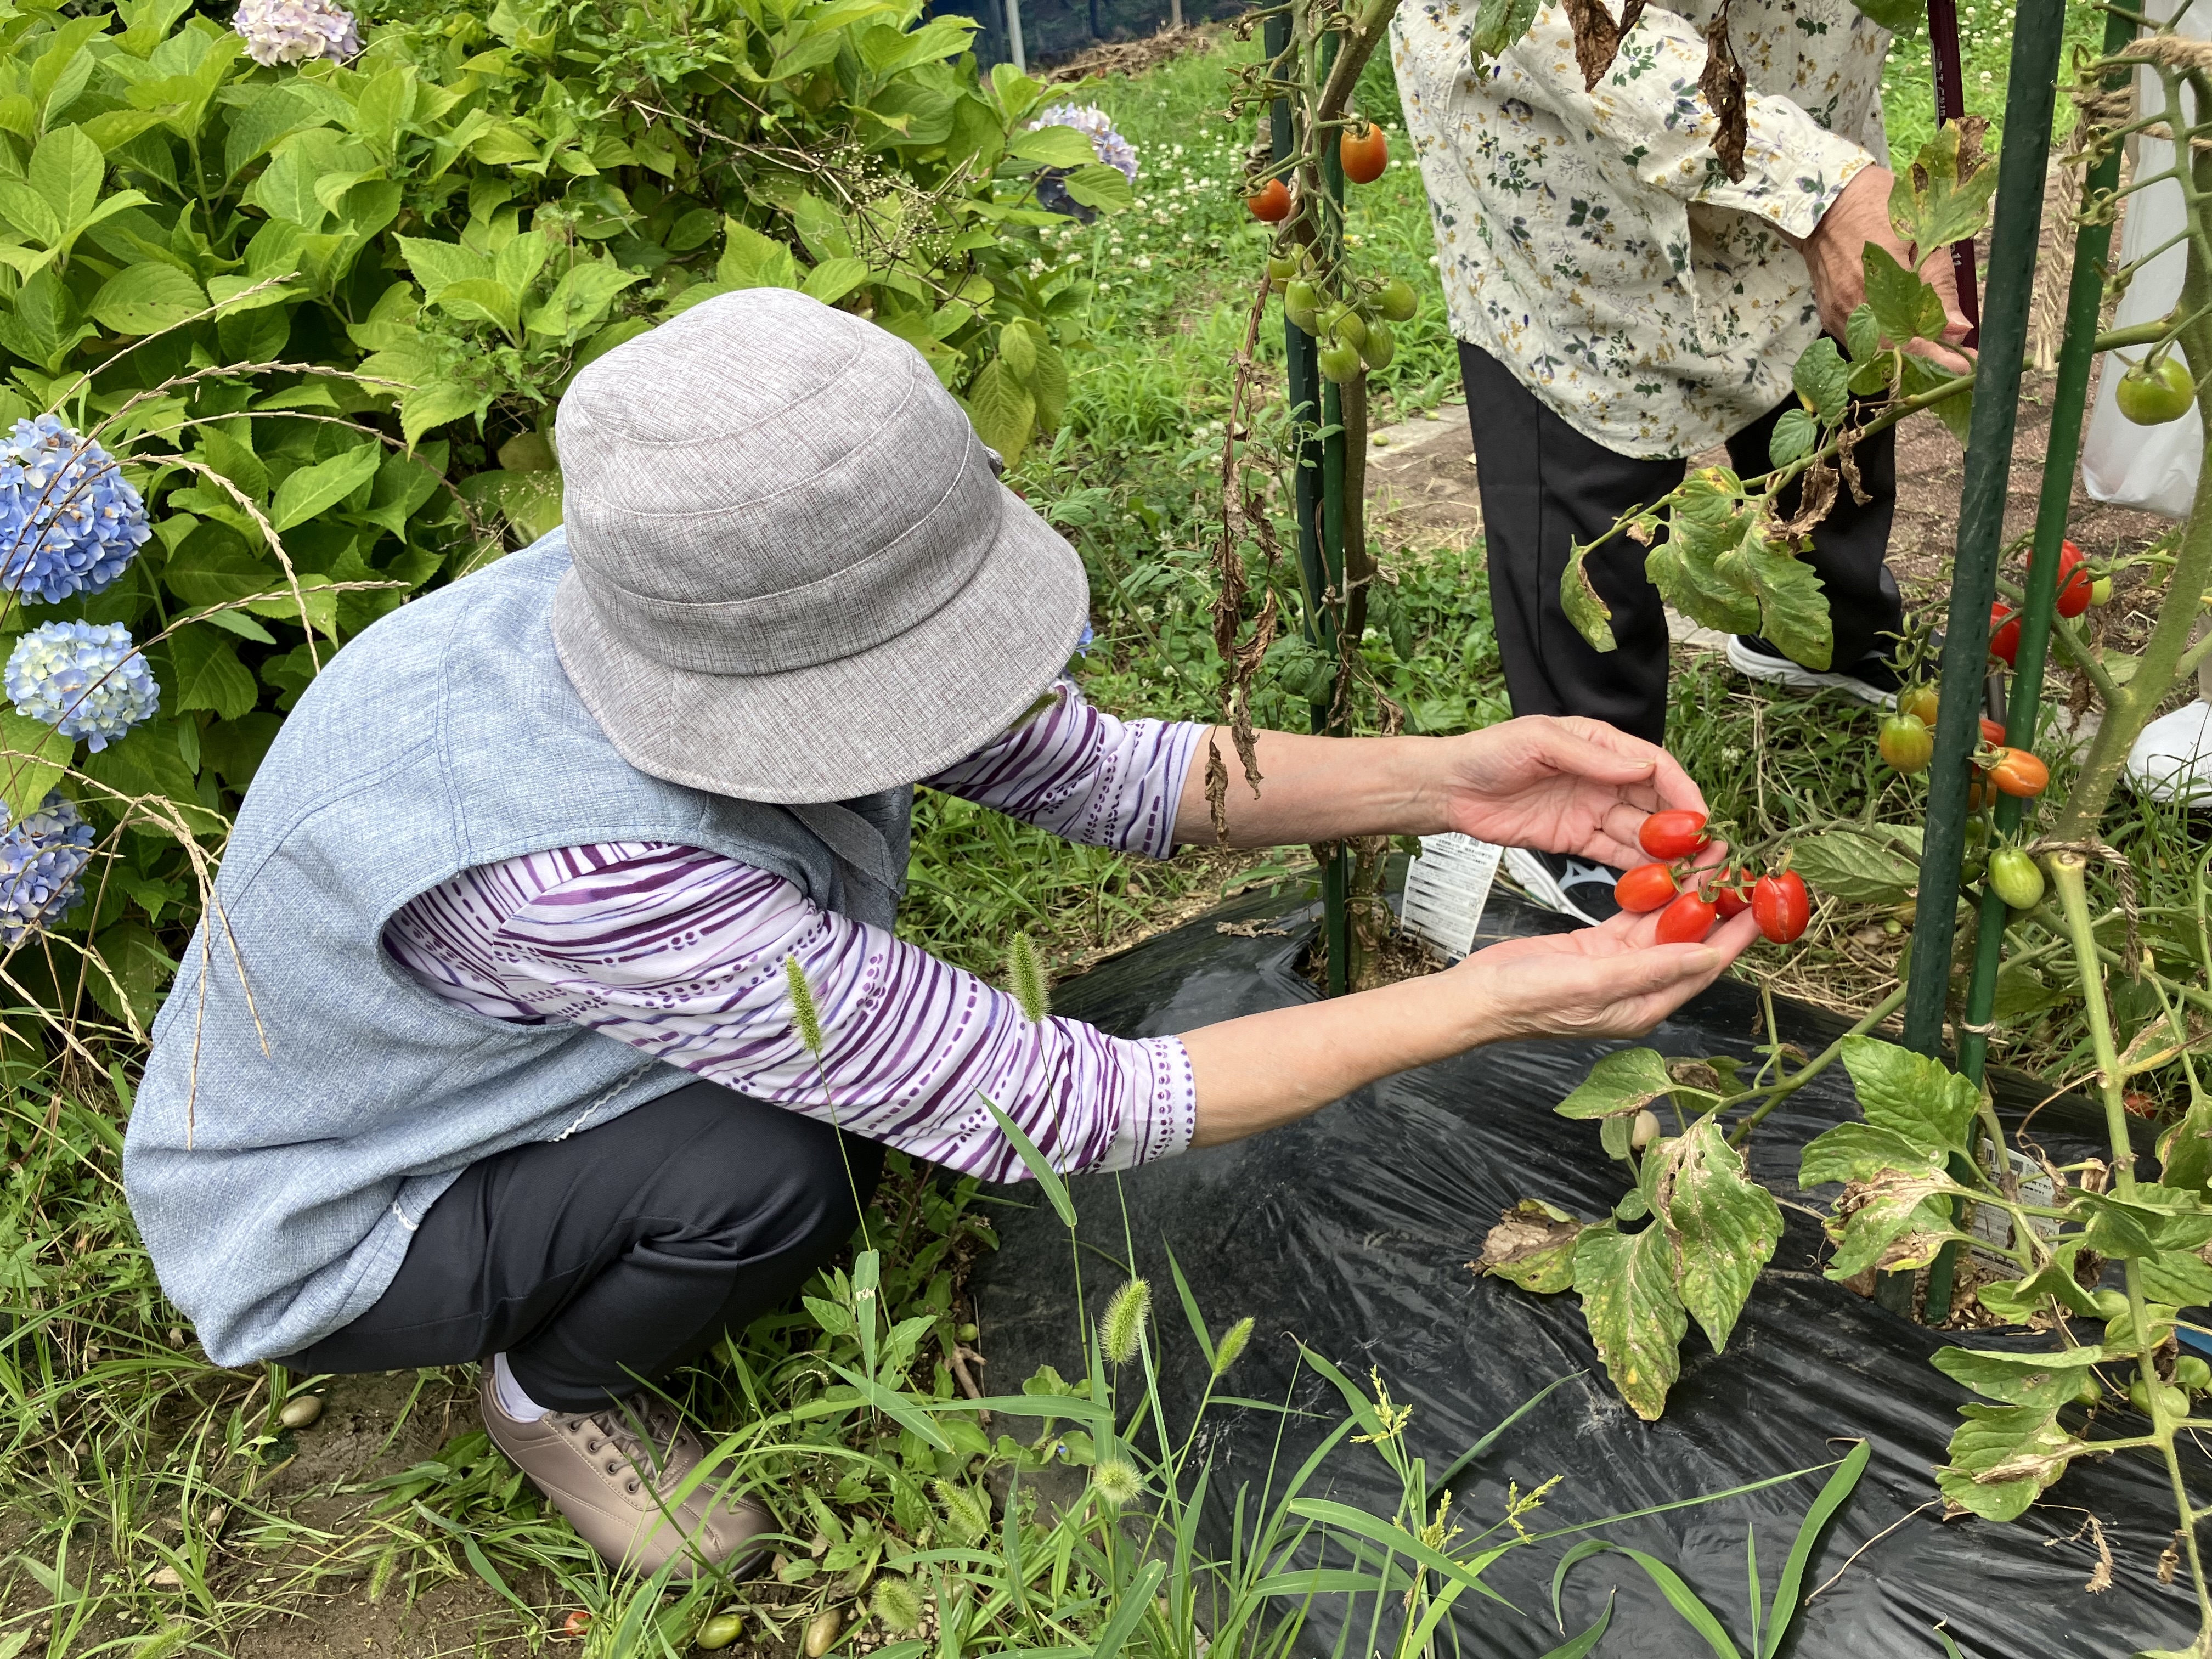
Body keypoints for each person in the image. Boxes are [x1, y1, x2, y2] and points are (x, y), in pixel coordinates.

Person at [121, 290, 1758, 1580]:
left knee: (819, 1105)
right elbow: (1067, 1108)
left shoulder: (709, 577)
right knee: (776, 1176)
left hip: (517, 1049)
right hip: (343, 1203)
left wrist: (1460, 782)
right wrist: (1494, 999)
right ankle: (550, 1394)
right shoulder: (577, 866)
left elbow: (1100, 769)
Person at [1391, 0, 1972, 924]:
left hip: (1795, 80)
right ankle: (1591, 800)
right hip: (1563, 137)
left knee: (1830, 384)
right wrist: (1815, 189)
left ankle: (1826, 628)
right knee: (1582, 468)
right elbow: (1579, 29)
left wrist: (1835, 189)